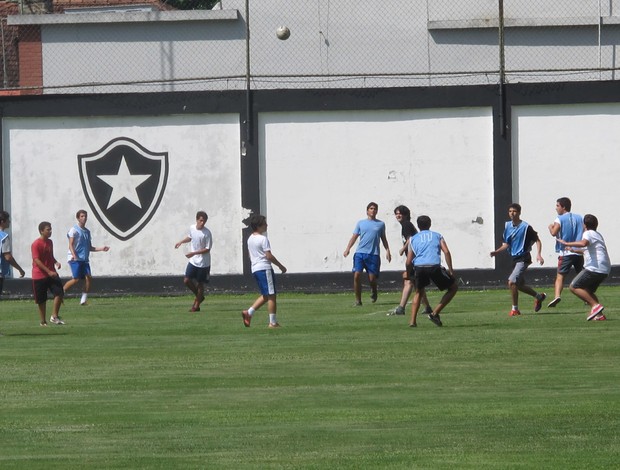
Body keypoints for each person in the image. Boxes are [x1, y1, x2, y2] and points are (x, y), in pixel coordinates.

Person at [490, 203, 546, 317]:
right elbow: (506, 244)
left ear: (519, 213)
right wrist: (497, 251)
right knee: (518, 285)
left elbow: (537, 240)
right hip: (514, 259)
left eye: (514, 211)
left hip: (523, 258)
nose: (512, 213)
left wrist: (539, 254)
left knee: (512, 282)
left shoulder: (525, 227)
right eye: (510, 211)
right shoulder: (507, 226)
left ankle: (515, 309)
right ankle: (539, 297)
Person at [406, 215, 458, 327]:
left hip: (419, 267)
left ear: (418, 226)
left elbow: (408, 260)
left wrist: (409, 274)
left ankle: (412, 321)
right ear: (430, 224)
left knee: (419, 292)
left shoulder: (413, 239)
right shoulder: (437, 236)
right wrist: (451, 270)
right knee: (453, 287)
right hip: (434, 266)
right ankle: (435, 313)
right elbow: (446, 252)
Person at [557, 214, 610, 321]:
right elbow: (587, 250)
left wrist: (567, 242)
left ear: (584, 225)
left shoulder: (588, 233)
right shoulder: (597, 234)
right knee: (587, 291)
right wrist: (573, 250)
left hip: (594, 268)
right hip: (604, 269)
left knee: (574, 286)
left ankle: (595, 306)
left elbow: (584, 243)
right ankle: (599, 315)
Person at [241, 214, 287, 328]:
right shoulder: (263, 239)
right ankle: (272, 322)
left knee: (265, 295)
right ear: (259, 226)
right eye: (264, 223)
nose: (266, 225)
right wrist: (281, 266)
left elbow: (250, 254)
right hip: (264, 268)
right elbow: (268, 256)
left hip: (255, 268)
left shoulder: (250, 238)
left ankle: (249, 313)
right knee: (272, 295)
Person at [343, 202, 392, 306]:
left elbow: (383, 238)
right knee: (357, 275)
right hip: (360, 253)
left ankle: (374, 290)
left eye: (375, 209)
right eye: (371, 208)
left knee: (372, 278)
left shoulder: (381, 224)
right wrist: (348, 248)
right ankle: (358, 300)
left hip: (373, 255)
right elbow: (354, 237)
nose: (373, 210)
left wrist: (388, 250)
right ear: (367, 211)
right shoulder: (361, 223)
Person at [390, 205, 432, 316]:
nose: (398, 215)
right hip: (414, 258)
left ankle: (401, 308)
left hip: (413, 259)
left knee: (409, 281)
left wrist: (403, 249)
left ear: (406, 215)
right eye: (397, 213)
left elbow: (410, 239)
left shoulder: (406, 225)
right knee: (416, 283)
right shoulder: (405, 225)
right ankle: (427, 307)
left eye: (401, 213)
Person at [63, 210, 110, 305]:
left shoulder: (87, 232)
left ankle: (83, 300)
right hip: (75, 259)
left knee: (89, 278)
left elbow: (89, 247)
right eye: (82, 216)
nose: (84, 218)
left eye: (85, 216)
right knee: (76, 279)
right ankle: (60, 293)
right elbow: (71, 245)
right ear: (78, 218)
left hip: (84, 259)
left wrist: (101, 248)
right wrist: (74, 255)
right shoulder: (74, 230)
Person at [547, 197, 584, 308]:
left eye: (557, 205)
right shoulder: (579, 218)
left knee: (560, 276)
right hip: (578, 252)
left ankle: (557, 295)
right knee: (581, 275)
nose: (556, 208)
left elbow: (554, 232)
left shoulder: (559, 219)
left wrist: (550, 227)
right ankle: (587, 296)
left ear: (563, 207)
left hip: (566, 252)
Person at [174, 210, 212, 312]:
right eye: (201, 220)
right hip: (193, 261)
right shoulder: (192, 228)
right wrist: (181, 242)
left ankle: (196, 306)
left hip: (204, 263)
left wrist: (193, 253)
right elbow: (190, 237)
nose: (202, 223)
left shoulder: (207, 233)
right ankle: (199, 297)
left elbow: (207, 249)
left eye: (204, 221)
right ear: (197, 220)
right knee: (186, 280)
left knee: (200, 284)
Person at [31, 221, 65, 326]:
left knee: (59, 292)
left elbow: (50, 255)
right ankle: (43, 321)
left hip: (51, 273)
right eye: (48, 229)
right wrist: (48, 271)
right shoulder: (36, 244)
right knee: (42, 299)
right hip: (39, 275)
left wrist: (56, 262)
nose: (50, 231)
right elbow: (37, 260)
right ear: (41, 231)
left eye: (50, 229)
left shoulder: (50, 242)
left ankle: (54, 316)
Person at [1, 211, 26, 297]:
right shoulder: (4, 236)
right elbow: (8, 257)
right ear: (2, 221)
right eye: (8, 220)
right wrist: (20, 269)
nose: (9, 222)